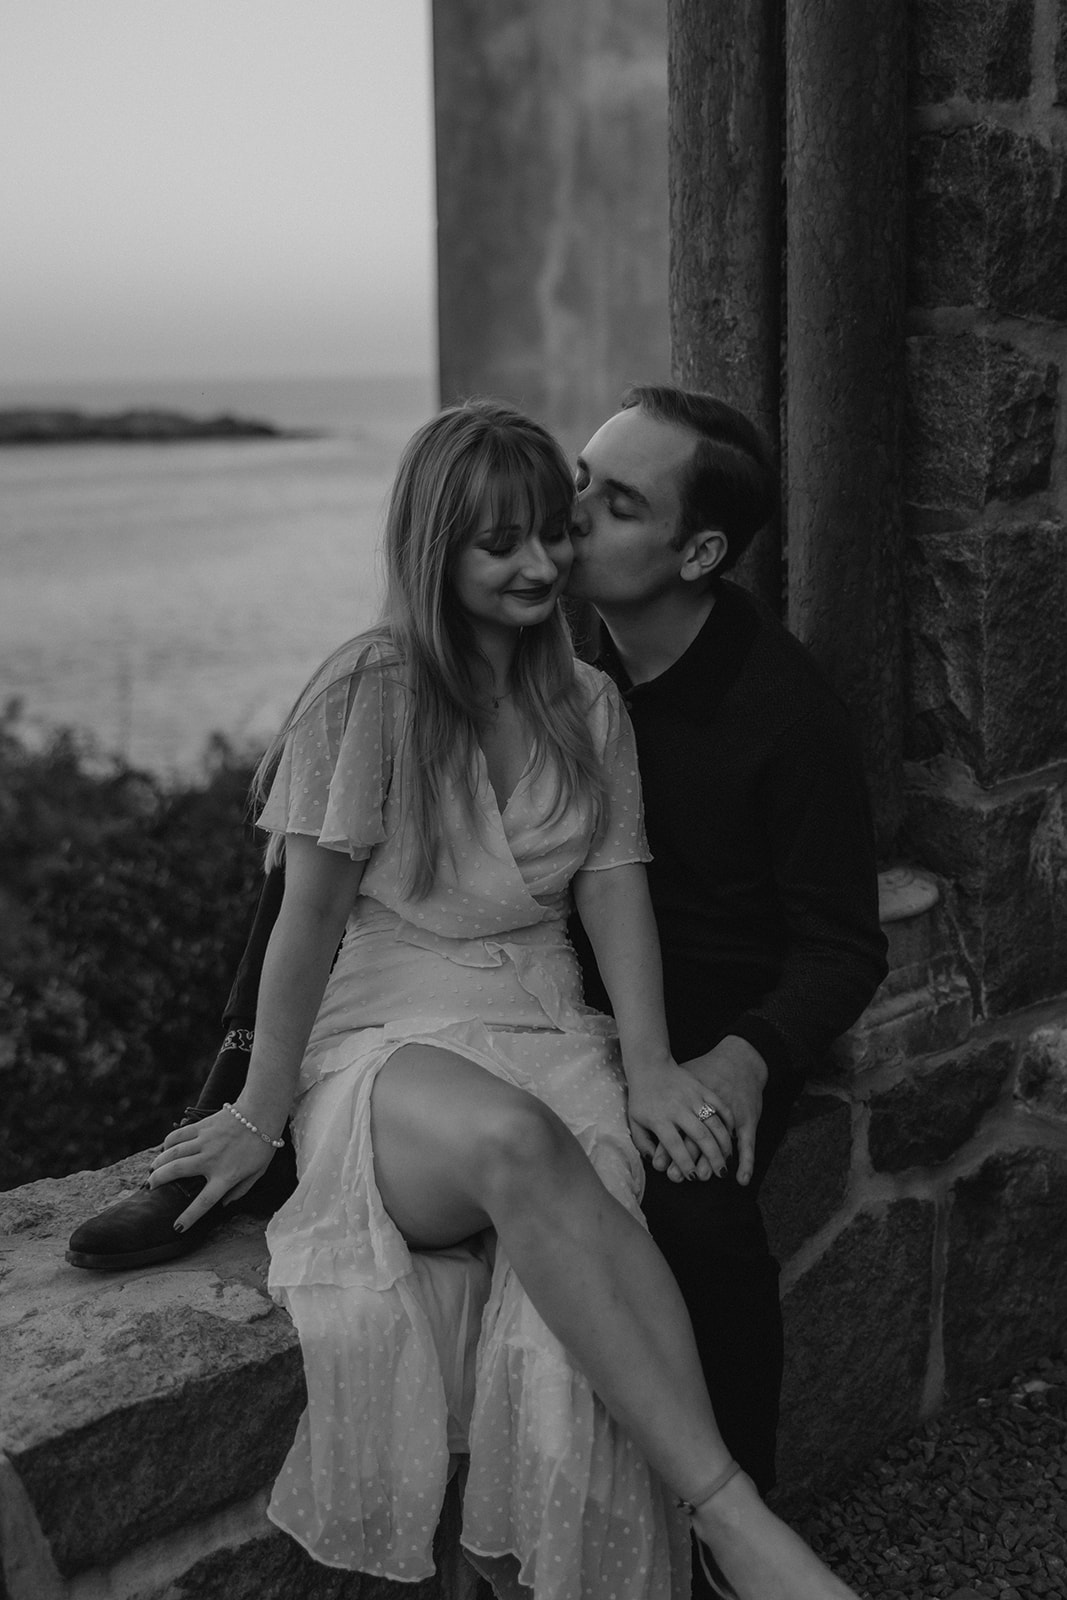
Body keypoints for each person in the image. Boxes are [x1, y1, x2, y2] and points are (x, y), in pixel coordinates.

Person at [73, 399, 865, 1600]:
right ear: (434, 547)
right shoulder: (369, 688)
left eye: (558, 528)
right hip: (391, 1038)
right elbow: (306, 918)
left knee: (582, 1275)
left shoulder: (589, 699)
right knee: (515, 1142)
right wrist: (252, 1106)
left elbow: (615, 900)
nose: (546, 557)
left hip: (550, 1023)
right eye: (506, 541)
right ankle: (738, 1525)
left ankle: (591, 1564)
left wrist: (651, 1064)